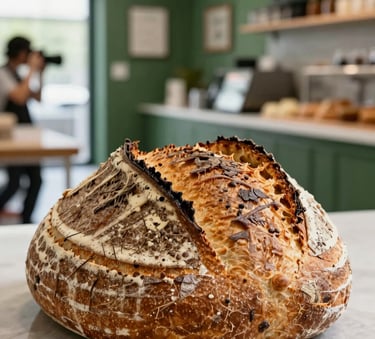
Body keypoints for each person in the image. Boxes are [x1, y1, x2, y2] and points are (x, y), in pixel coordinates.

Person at [0, 36, 45, 223]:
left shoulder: (19, 74)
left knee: (36, 179)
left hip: (26, 134)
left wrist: (41, 73)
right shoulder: (3, 73)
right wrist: (32, 70)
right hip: (10, 136)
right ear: (20, 53)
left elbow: (37, 97)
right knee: (14, 182)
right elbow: (18, 97)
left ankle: (26, 220)